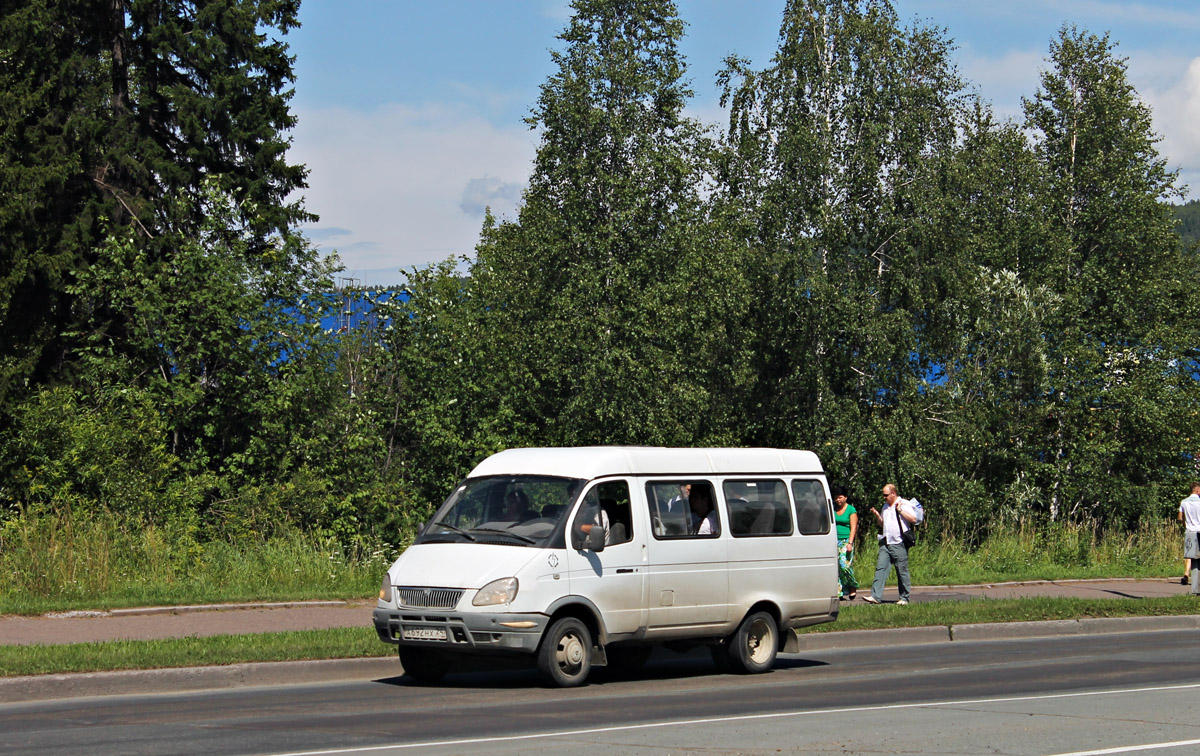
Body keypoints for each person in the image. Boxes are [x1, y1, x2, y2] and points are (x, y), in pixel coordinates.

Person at [862, 483, 918, 605]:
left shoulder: (903, 503)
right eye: (883, 495)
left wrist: (900, 510)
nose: (884, 497)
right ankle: (875, 596)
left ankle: (904, 598)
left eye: (886, 495)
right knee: (881, 568)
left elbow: (914, 519)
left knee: (901, 570)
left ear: (893, 493)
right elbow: (883, 524)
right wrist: (877, 516)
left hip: (899, 542)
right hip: (886, 542)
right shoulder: (885, 506)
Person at [832, 486, 858, 600]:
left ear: (845, 498)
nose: (838, 500)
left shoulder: (851, 510)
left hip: (846, 540)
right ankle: (840, 591)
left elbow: (853, 527)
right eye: (836, 498)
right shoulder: (833, 509)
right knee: (836, 567)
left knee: (844, 566)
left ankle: (852, 585)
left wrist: (850, 543)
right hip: (834, 540)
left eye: (840, 497)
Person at [1180, 482, 1200, 594]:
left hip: (1189, 532)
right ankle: (1196, 587)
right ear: (1197, 490)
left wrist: (1185, 524)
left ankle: (1187, 573)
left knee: (1190, 554)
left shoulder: (1184, 502)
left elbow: (1180, 516)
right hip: (1199, 531)